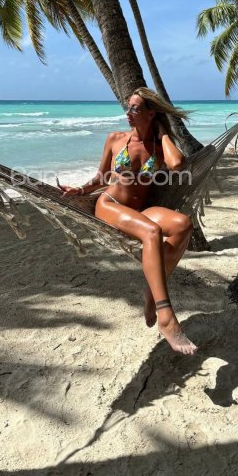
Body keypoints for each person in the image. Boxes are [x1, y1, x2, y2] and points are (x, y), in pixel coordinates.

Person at [58, 87, 197, 355]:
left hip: (141, 210)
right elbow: (101, 177)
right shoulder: (116, 139)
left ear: (151, 113)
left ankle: (151, 291)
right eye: (128, 107)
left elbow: (177, 164)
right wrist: (80, 190)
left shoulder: (158, 146)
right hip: (110, 204)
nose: (128, 113)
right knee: (152, 232)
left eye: (135, 108)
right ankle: (166, 315)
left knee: (183, 225)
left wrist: (163, 134)